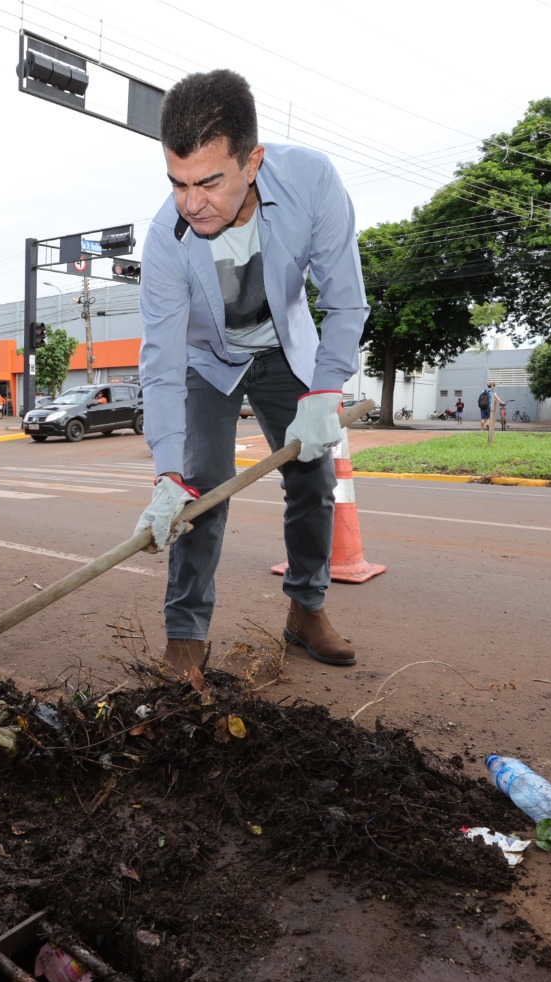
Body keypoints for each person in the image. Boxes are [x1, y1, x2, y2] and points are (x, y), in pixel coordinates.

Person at [135, 69, 369, 677]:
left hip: (285, 351)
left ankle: (306, 609)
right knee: (200, 490)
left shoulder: (312, 183)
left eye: (209, 182)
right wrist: (167, 470)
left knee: (314, 479)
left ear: (254, 160)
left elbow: (345, 301)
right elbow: (159, 363)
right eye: (178, 182)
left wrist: (324, 389)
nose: (192, 203)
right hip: (207, 362)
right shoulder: (166, 238)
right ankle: (185, 635)